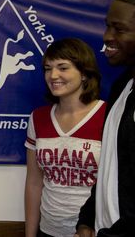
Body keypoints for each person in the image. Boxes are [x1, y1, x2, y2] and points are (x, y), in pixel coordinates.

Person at [75, 0, 135, 236]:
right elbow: (112, 165)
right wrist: (87, 219)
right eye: (107, 25)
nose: (107, 37)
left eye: (119, 29)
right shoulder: (123, 85)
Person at [24, 38, 106, 237]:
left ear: (84, 73)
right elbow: (34, 183)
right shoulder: (38, 118)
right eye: (47, 68)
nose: (53, 75)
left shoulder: (108, 115)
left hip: (93, 230)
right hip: (48, 230)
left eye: (63, 67)